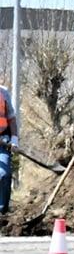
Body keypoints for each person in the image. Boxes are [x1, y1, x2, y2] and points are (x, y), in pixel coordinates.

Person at [0, 80, 15, 215]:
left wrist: (14, 138)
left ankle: (2, 212)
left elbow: (11, 117)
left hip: (3, 142)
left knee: (4, 175)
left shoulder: (3, 92)